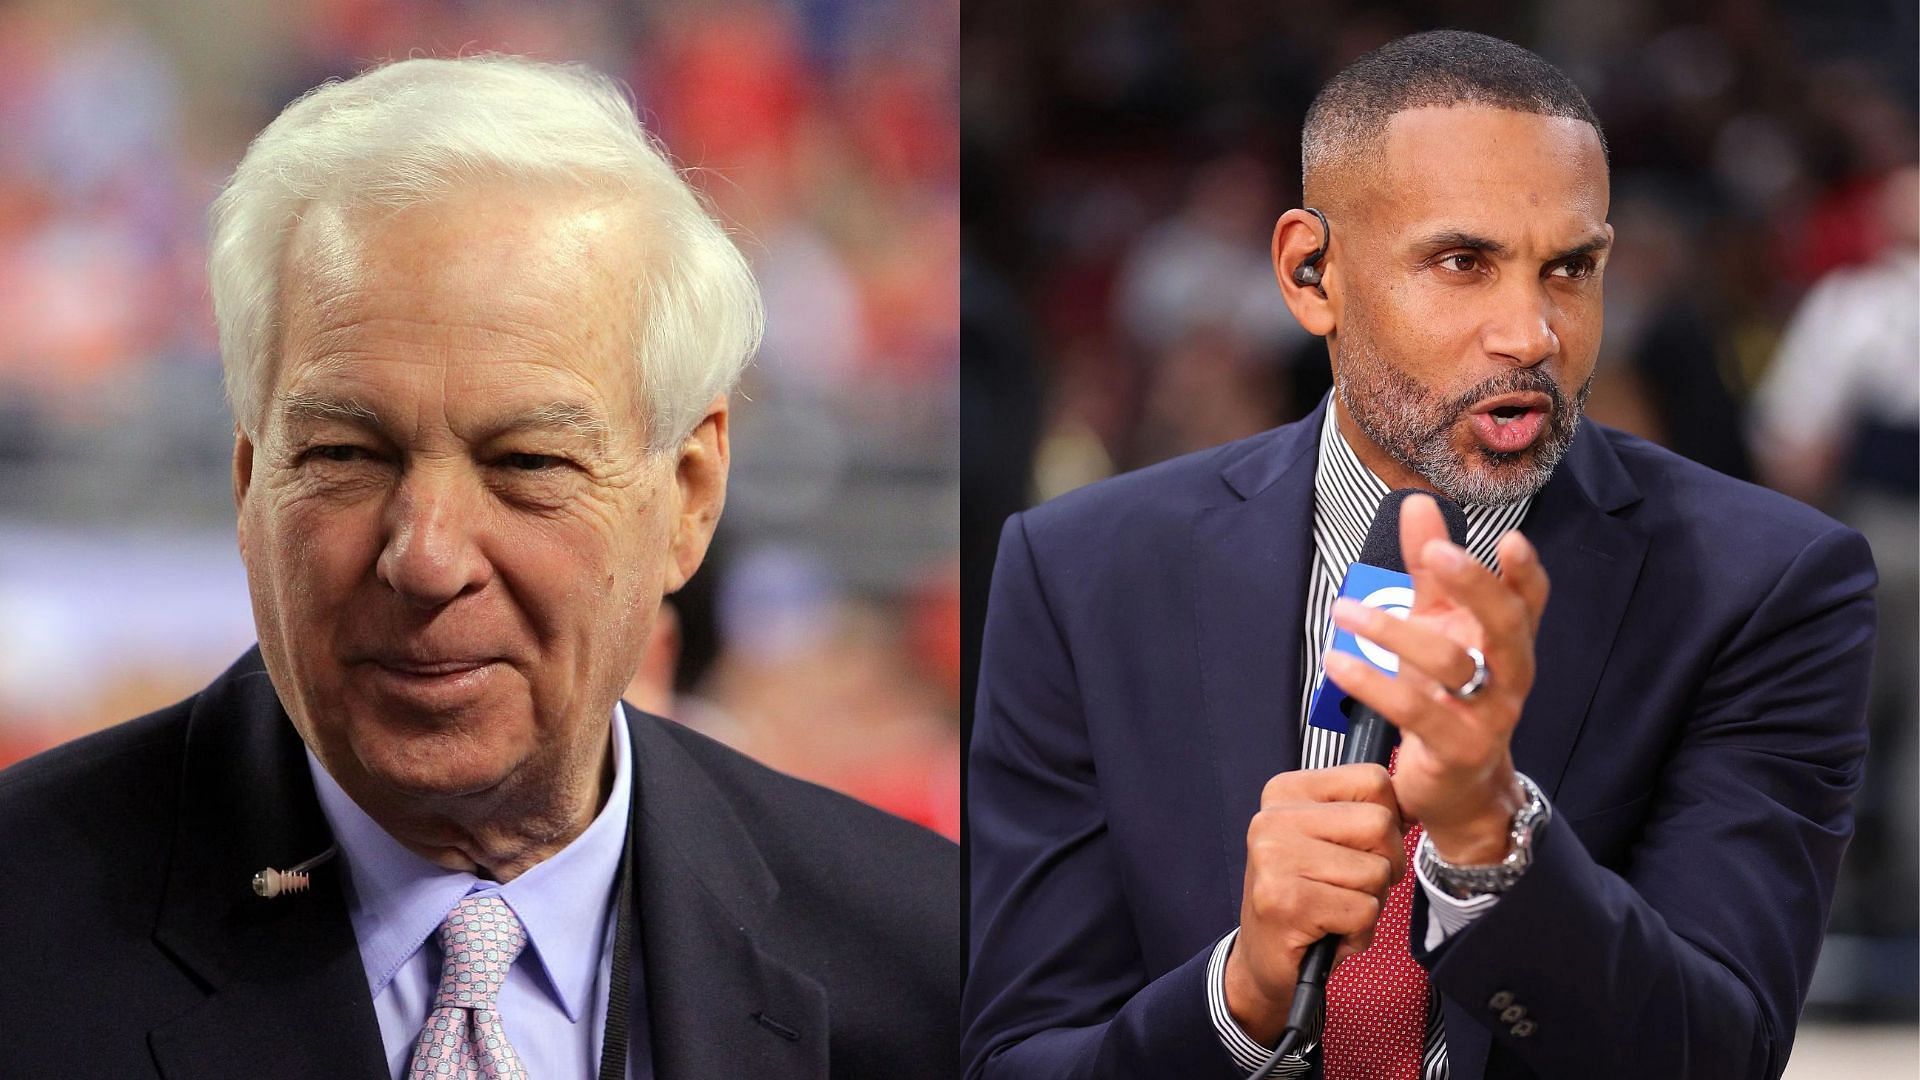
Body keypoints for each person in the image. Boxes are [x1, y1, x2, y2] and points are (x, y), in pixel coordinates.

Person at [0, 56, 957, 1079]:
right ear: (249, 482)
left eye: (528, 464)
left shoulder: (936, 960)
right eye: (344, 456)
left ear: (687, 498)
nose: (426, 557)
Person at [965, 30, 1874, 1080]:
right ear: (1312, 274)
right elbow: (1019, 1056)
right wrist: (1244, 994)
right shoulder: (1080, 572)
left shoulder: (1771, 584)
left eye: (1570, 269)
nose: (1530, 332)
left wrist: (1492, 840)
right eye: (1463, 263)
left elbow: (1720, 1054)